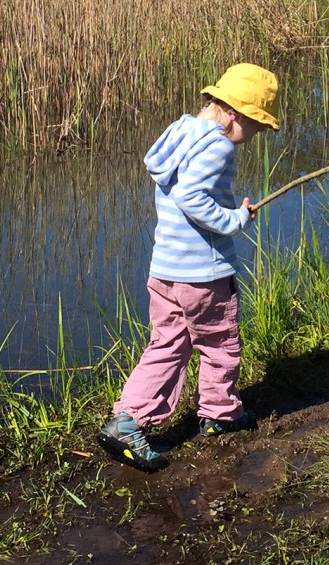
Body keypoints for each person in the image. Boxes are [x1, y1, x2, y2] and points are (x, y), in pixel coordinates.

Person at [98, 63, 279, 471]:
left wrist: (229, 208)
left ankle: (128, 420)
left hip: (165, 269)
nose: (251, 138)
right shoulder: (218, 145)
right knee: (220, 345)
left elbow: (181, 191)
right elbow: (193, 197)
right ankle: (220, 415)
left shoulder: (181, 132)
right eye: (255, 127)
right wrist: (236, 219)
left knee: (167, 344)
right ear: (236, 113)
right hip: (204, 274)